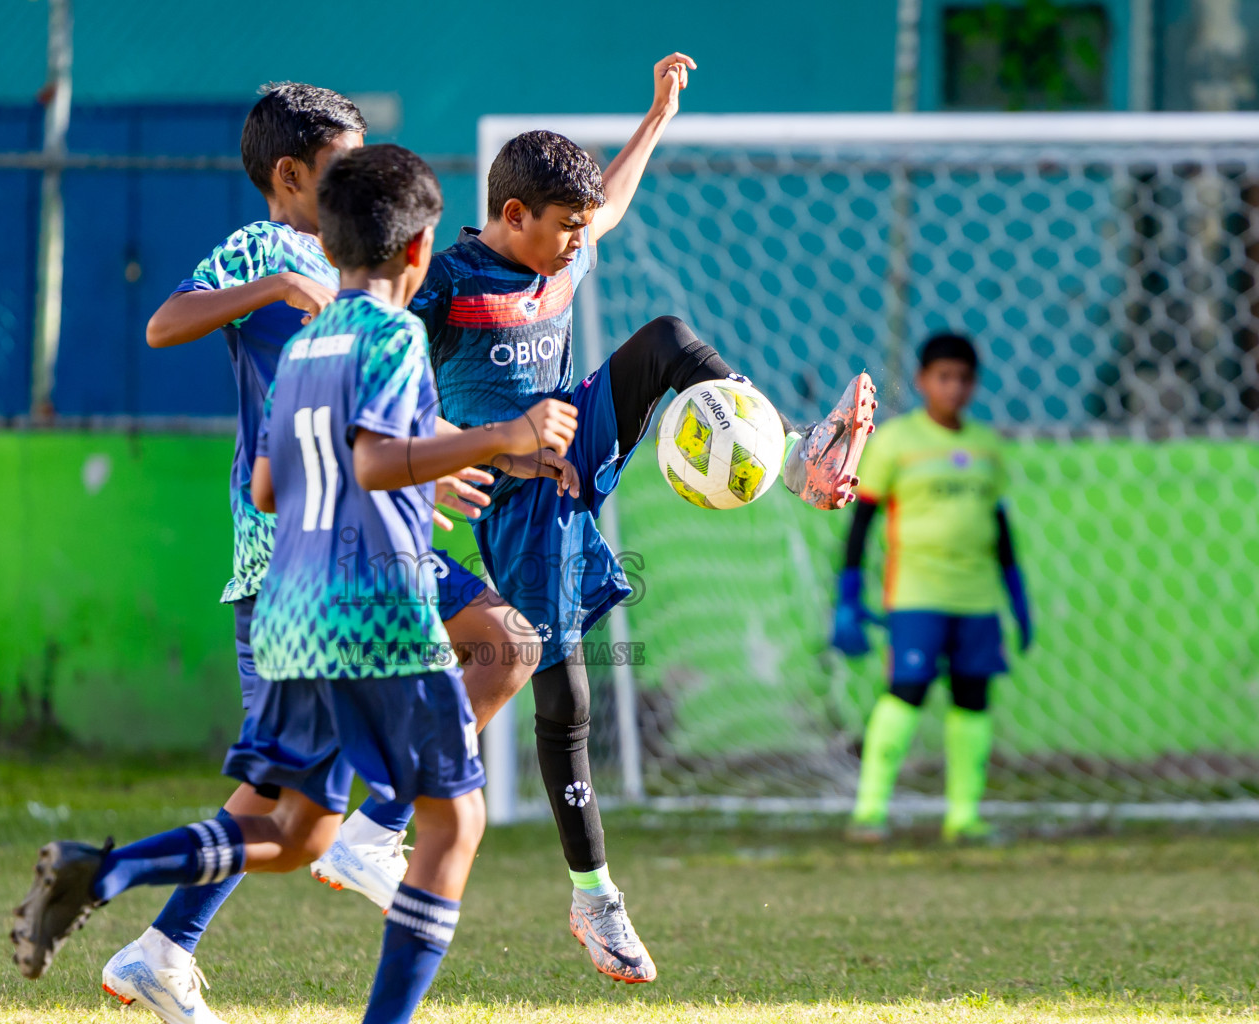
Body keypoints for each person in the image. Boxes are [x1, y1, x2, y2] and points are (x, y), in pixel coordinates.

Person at [11, 144, 581, 1024]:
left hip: (292, 609)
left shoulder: (309, 343)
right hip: (375, 609)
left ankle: (109, 870)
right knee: (451, 825)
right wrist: (499, 437)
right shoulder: (391, 335)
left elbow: (273, 485)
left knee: (289, 832)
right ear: (421, 252)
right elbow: (377, 459)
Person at [398, 53, 878, 983]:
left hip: (573, 441)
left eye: (583, 229)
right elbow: (383, 365)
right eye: (565, 229)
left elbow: (608, 202)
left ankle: (798, 456)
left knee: (664, 341)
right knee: (565, 697)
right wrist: (442, 453)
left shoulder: (564, 253)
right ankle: (595, 899)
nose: (583, 241)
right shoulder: (448, 284)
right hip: (513, 492)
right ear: (512, 218)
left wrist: (655, 115)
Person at [832, 332, 1033, 844]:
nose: (954, 387)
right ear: (923, 381)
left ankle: (963, 817)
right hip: (916, 595)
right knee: (906, 691)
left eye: (964, 379)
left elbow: (1000, 526)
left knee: (973, 698)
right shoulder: (898, 442)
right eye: (944, 377)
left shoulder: (986, 447)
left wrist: (1017, 596)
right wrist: (848, 593)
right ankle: (869, 810)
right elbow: (863, 521)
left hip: (977, 597)